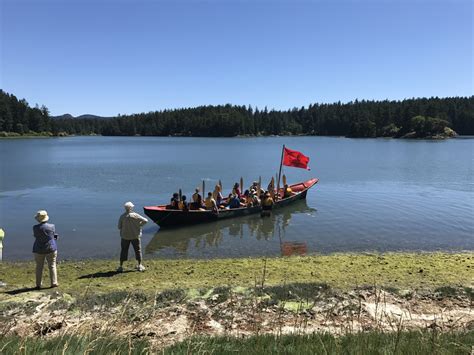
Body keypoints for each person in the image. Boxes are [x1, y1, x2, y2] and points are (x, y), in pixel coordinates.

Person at [117, 202, 148, 272]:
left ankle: (121, 266)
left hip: (125, 236)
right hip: (135, 236)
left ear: (125, 208)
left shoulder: (122, 216)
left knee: (124, 251)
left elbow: (119, 227)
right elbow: (146, 220)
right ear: (131, 208)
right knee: (138, 250)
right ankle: (140, 265)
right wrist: (140, 225)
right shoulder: (136, 215)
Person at [33, 210, 58, 289]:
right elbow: (53, 236)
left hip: (38, 249)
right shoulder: (52, 226)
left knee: (39, 267)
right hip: (51, 248)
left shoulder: (35, 227)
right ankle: (54, 283)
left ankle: (38, 284)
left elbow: (36, 236)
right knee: (52, 265)